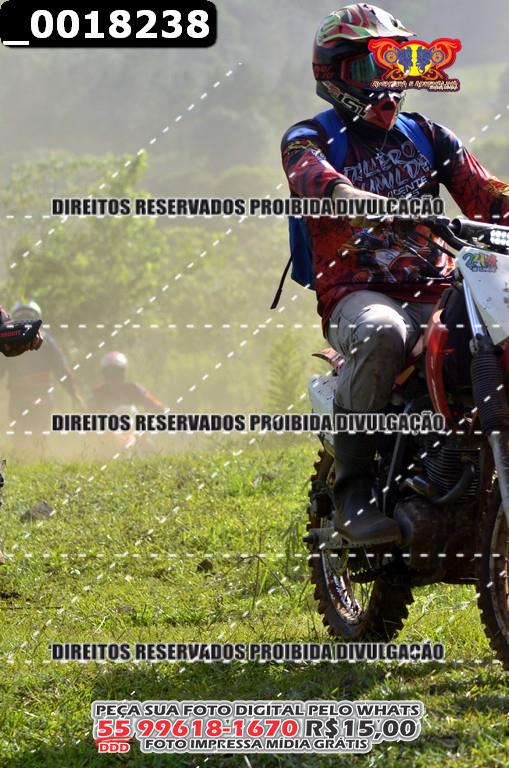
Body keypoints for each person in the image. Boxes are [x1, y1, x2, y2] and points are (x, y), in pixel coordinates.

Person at [281, 4, 509, 546]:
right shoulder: (309, 138)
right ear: (334, 75)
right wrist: (359, 199)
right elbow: (315, 181)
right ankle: (354, 491)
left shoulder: (428, 135)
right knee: (384, 333)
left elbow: (489, 197)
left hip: (443, 287)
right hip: (357, 293)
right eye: (370, 68)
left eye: (395, 65)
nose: (386, 81)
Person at [3, 301, 84, 438]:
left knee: (20, 435)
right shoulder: (47, 340)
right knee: (40, 435)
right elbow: (61, 369)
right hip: (41, 396)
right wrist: (73, 392)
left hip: (19, 397)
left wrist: (73, 393)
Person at [89, 352, 166, 413]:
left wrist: (164, 413)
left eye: (117, 372)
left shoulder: (133, 389)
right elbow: (86, 412)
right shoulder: (98, 392)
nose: (113, 376)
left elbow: (157, 406)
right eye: (109, 372)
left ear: (124, 372)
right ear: (104, 373)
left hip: (135, 427)